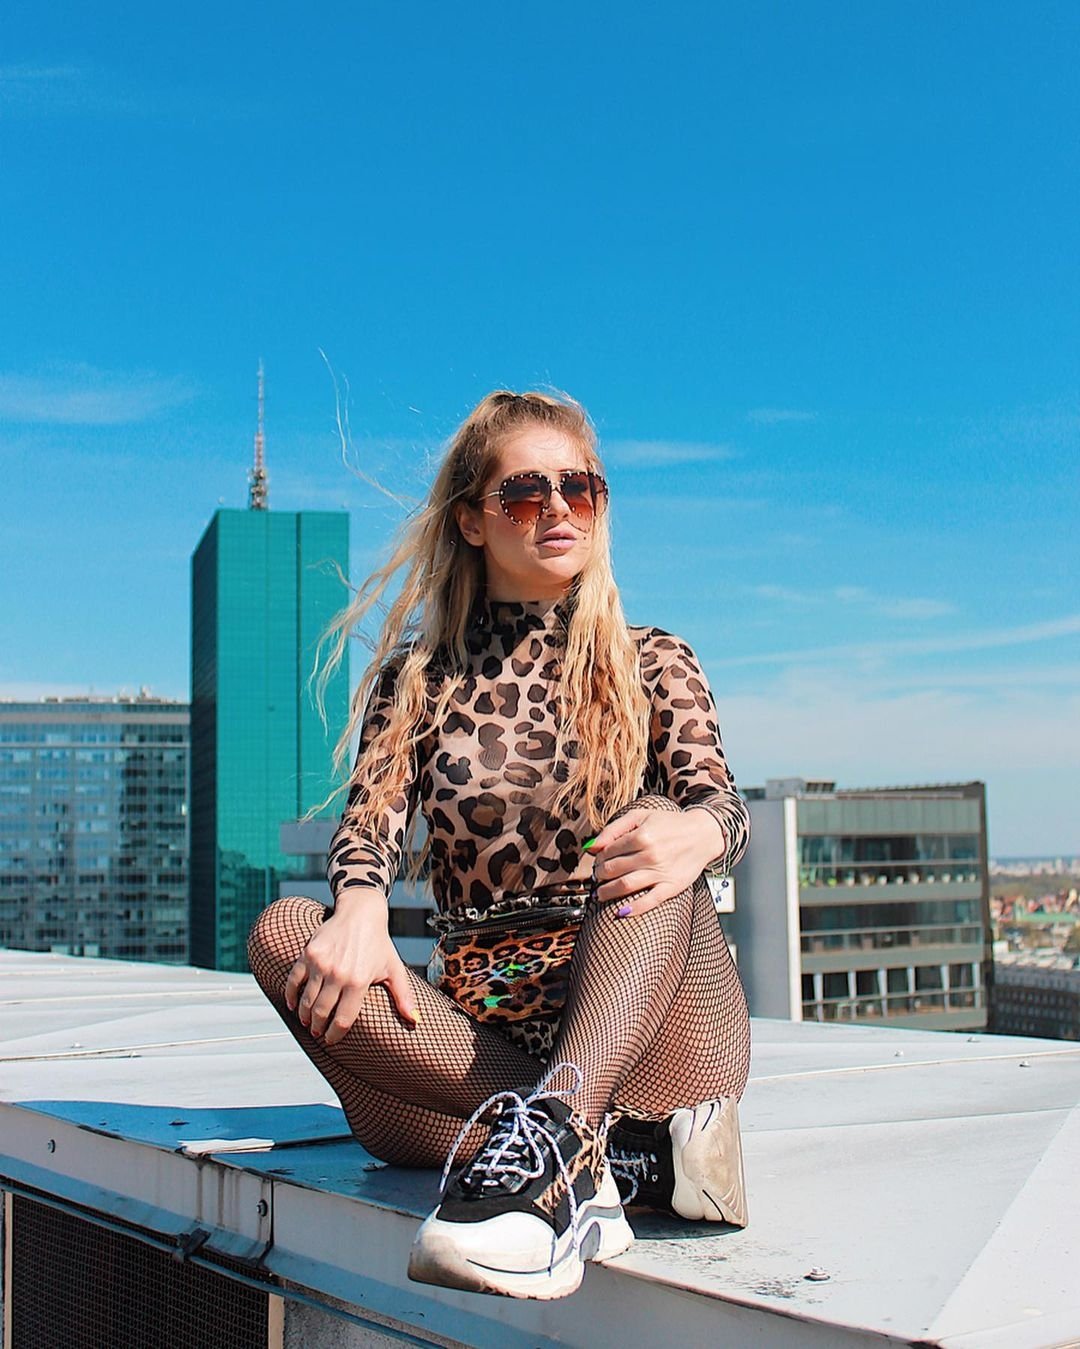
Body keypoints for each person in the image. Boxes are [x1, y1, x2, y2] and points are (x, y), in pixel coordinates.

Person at [247, 389, 751, 1301]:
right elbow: (369, 824)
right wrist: (359, 904)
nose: (558, 508)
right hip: (466, 1056)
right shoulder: (418, 677)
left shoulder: (652, 658)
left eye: (580, 488)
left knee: (649, 834)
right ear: (473, 520)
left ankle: (560, 1139)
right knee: (285, 930)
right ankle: (608, 1151)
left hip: (653, 1034)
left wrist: (697, 829)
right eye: (525, 492)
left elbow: (723, 805)